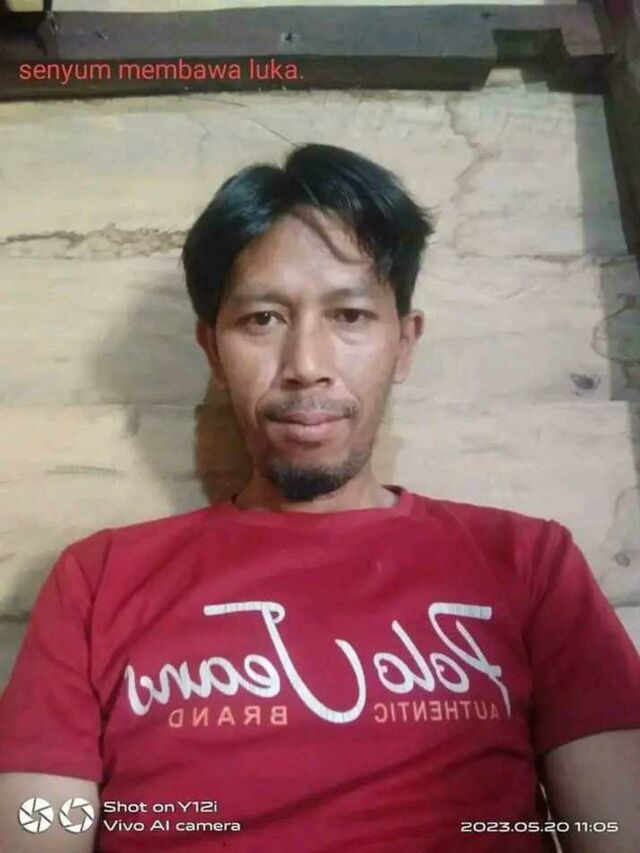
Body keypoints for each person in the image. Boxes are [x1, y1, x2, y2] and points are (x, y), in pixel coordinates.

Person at [0, 143, 639, 853]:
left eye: (350, 315)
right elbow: (36, 826)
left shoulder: (529, 564)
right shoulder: (98, 582)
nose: (306, 365)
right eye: (262, 319)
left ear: (404, 344)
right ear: (213, 351)